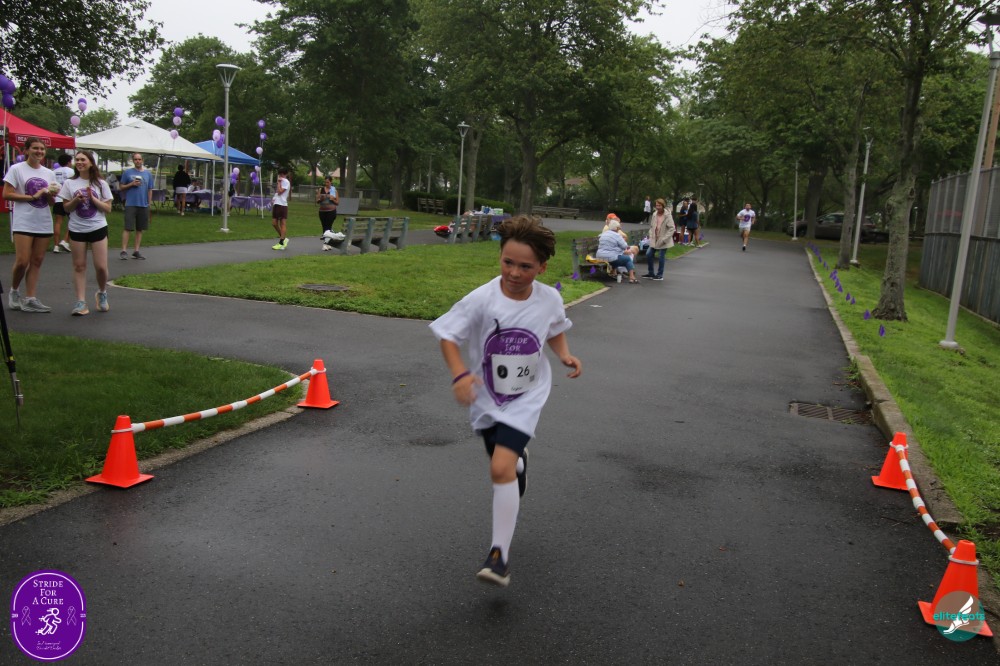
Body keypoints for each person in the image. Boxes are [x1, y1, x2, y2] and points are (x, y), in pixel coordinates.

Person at [429, 215, 582, 588]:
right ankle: (518, 462)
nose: (514, 272)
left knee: (499, 469)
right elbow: (447, 335)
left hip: (527, 396)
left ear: (542, 267)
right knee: (504, 464)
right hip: (486, 395)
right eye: (508, 262)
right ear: (499, 257)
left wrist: (564, 355)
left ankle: (499, 557)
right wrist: (460, 375)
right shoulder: (482, 299)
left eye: (525, 267)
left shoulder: (549, 298)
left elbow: (554, 328)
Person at [3, 137, 57, 312]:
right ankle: (14, 291)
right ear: (26, 150)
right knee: (22, 261)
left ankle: (30, 299)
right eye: (35, 148)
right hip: (24, 221)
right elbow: (7, 194)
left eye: (42, 149)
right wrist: (33, 196)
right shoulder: (16, 169)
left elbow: (51, 202)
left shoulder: (49, 173)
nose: (39, 151)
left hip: (43, 221)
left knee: (37, 260)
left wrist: (50, 195)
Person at [58, 150, 113, 316]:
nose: (80, 162)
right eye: (77, 160)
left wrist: (93, 199)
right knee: (79, 266)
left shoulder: (101, 184)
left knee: (101, 267)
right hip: (77, 228)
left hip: (98, 227)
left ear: (91, 162)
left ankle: (102, 292)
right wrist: (76, 200)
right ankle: (81, 302)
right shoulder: (69, 183)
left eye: (83, 159)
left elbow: (108, 208)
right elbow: (66, 208)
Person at [120, 153, 153, 260]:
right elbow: (121, 187)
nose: (138, 161)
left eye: (139, 159)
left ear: (142, 160)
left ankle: (136, 251)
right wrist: (131, 184)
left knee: (140, 229)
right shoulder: (127, 173)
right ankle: (124, 251)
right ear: (133, 161)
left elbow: (150, 189)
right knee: (128, 227)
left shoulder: (148, 174)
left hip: (143, 204)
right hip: (130, 204)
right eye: (135, 159)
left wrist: (149, 203)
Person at [642, 198, 675, 280]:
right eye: (656, 205)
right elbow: (652, 227)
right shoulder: (654, 214)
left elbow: (672, 228)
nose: (658, 207)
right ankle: (651, 273)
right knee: (649, 254)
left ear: (663, 206)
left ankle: (660, 275)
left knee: (661, 256)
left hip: (663, 240)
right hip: (654, 239)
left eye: (659, 205)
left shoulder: (667, 215)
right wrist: (651, 235)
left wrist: (665, 239)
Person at [597, 218, 638, 283]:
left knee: (616, 256)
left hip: (600, 256)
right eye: (618, 228)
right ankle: (632, 277)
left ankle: (613, 272)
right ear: (616, 228)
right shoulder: (617, 235)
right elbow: (624, 246)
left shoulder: (603, 234)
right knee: (627, 259)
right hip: (610, 257)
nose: (619, 229)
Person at [51, 154, 75, 253]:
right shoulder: (72, 171)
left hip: (57, 199)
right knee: (73, 221)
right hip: (68, 200)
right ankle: (65, 240)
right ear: (69, 162)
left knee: (58, 222)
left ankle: (56, 246)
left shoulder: (53, 172)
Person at [316, 176, 339, 250]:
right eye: (325, 182)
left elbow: (337, 202)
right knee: (324, 226)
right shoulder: (321, 189)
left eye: (328, 182)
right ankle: (328, 243)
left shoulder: (333, 190)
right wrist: (321, 199)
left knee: (328, 227)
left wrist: (332, 199)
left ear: (331, 182)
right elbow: (317, 201)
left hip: (331, 211)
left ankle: (325, 244)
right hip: (322, 211)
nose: (326, 184)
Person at [271, 168, 291, 250]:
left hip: (282, 204)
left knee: (282, 223)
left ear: (285, 174)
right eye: (279, 174)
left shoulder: (286, 181)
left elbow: (280, 191)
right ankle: (283, 238)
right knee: (274, 223)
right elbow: (277, 193)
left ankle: (281, 242)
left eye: (282, 174)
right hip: (277, 203)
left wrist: (279, 183)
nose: (280, 176)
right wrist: (274, 198)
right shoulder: (281, 181)